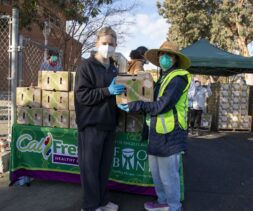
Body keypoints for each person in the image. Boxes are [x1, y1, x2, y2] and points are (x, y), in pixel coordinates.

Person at [118, 41, 191, 211]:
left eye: (169, 55)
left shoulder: (178, 78)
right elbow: (150, 100)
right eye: (162, 54)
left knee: (168, 176)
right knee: (157, 173)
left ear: (176, 59)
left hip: (171, 133)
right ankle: (162, 201)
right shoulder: (162, 77)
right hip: (156, 131)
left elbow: (162, 105)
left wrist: (135, 106)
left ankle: (174, 206)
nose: (164, 58)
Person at [74, 26, 125, 211]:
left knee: (104, 168)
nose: (107, 47)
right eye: (104, 43)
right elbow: (82, 96)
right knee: (90, 170)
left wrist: (123, 101)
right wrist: (107, 91)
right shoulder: (86, 66)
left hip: (109, 124)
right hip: (91, 125)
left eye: (111, 44)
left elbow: (116, 96)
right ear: (97, 43)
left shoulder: (113, 68)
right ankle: (90, 206)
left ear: (116, 46)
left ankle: (103, 201)